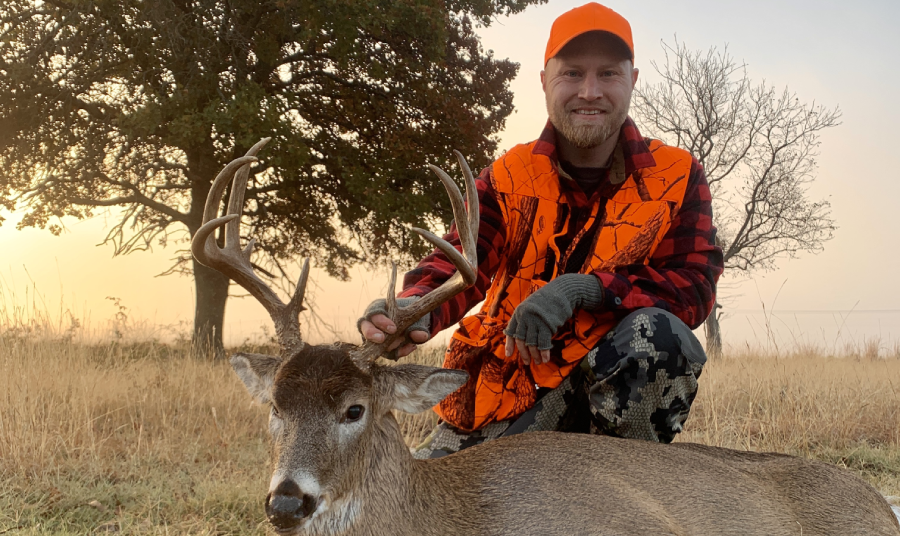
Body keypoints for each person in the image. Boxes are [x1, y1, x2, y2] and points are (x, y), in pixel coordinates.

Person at [358, 2, 724, 457]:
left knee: (659, 337)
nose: (589, 92)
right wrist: (411, 309)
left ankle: (617, 494)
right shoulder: (508, 175)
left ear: (633, 80)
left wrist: (582, 290)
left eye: (608, 74)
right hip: (507, 384)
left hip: (611, 384)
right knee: (434, 508)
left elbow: (693, 287)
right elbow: (460, 260)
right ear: (545, 80)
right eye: (572, 73)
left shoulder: (677, 175)